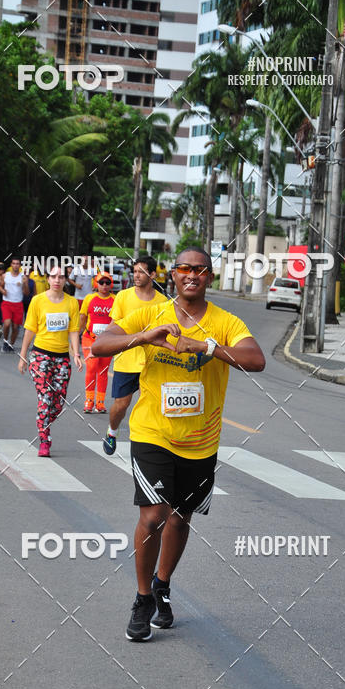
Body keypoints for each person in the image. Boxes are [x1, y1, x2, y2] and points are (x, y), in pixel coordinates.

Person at [92, 247, 265, 641]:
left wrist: (203, 347)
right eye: (184, 268)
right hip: (153, 432)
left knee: (180, 517)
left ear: (209, 277)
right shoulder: (153, 314)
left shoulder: (224, 321)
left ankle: (162, 586)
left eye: (200, 270)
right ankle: (141, 599)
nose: (192, 275)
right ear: (173, 275)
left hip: (201, 441)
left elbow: (255, 360)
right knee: (153, 515)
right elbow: (100, 345)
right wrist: (141, 337)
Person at [101, 255, 166, 455]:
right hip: (127, 359)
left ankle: (153, 441)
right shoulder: (123, 297)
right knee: (121, 405)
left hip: (153, 361)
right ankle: (112, 432)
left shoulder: (162, 301)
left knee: (156, 406)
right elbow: (115, 325)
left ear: (153, 274)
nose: (136, 275)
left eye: (141, 272)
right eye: (135, 271)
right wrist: (105, 339)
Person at [19, 266, 82, 457]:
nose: (57, 280)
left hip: (62, 358)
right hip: (40, 356)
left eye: (61, 277)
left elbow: (73, 330)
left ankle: (43, 420)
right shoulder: (37, 301)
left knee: (58, 403)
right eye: (53, 276)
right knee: (45, 397)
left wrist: (76, 354)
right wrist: (23, 355)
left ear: (65, 280)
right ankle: (44, 440)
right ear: (48, 279)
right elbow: (30, 329)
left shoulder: (71, 303)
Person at [79, 271, 115, 413]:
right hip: (90, 339)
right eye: (101, 282)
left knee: (103, 371)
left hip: (107, 341)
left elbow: (118, 319)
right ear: (96, 284)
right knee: (92, 367)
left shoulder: (116, 300)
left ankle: (100, 402)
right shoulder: (89, 298)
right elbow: (82, 317)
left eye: (107, 283)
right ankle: (89, 400)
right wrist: (78, 334)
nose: (104, 286)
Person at [0, 258, 29, 352]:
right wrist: (3, 291)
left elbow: (27, 293)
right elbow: (0, 286)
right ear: (11, 265)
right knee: (7, 323)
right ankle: (5, 341)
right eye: (14, 263)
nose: (15, 265)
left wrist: (25, 284)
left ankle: (10, 344)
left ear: (20, 266)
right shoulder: (5, 275)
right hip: (7, 303)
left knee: (16, 327)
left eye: (17, 264)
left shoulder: (23, 277)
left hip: (18, 304)